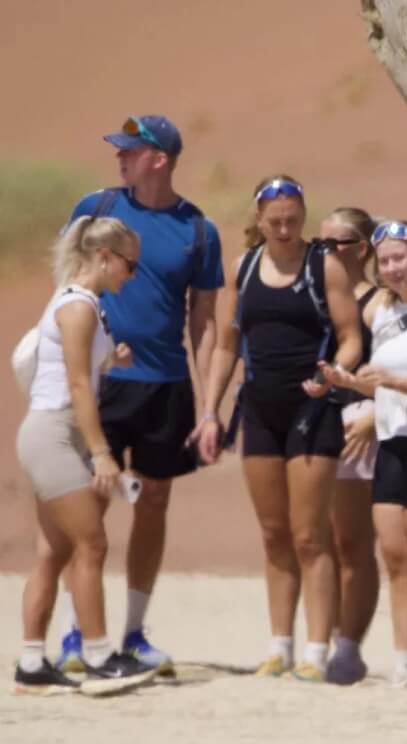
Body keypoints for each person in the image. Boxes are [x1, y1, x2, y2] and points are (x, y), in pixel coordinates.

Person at [56, 115, 224, 676]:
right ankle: (80, 631)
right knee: (88, 508)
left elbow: (203, 322)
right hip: (101, 385)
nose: (119, 158)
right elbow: (64, 287)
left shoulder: (198, 229)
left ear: (159, 158)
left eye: (129, 150)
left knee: (153, 503)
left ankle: (132, 631)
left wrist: (208, 406)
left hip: (166, 386)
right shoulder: (95, 209)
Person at [195, 176, 362, 682]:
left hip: (312, 407)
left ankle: (316, 650)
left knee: (311, 534)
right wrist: (210, 411)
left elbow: (351, 338)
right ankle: (279, 646)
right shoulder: (242, 268)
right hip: (260, 408)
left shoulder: (323, 266)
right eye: (276, 222)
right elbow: (226, 345)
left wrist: (330, 373)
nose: (286, 230)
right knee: (274, 533)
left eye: (293, 220)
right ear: (259, 219)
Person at [15, 217, 156, 694]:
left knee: (53, 552)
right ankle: (98, 656)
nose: (131, 275)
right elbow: (76, 387)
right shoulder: (78, 308)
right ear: (105, 257)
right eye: (130, 265)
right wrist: (101, 455)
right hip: (54, 435)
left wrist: (109, 360)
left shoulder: (84, 306)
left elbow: (75, 369)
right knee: (91, 543)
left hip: (55, 434)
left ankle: (31, 665)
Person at [321, 220, 407, 687]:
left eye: (401, 257)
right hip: (392, 441)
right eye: (385, 261)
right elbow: (380, 380)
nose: (393, 268)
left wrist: (397, 383)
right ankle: (404, 660)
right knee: (396, 555)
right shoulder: (382, 312)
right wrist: (348, 383)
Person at [318, 208, 382, 685]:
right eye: (319, 244)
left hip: (359, 423)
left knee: (353, 542)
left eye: (335, 243)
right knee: (314, 540)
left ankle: (348, 644)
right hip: (316, 423)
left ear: (362, 248)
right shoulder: (315, 294)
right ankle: (318, 640)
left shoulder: (382, 302)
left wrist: (378, 416)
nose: (325, 253)